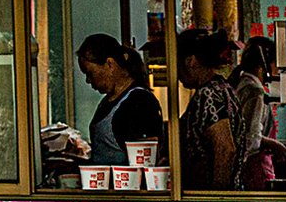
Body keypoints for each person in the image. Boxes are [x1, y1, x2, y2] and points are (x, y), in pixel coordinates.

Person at [76, 34, 163, 165]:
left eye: (90, 73)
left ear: (110, 64)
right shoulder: (107, 102)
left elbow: (144, 162)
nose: (88, 80)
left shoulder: (140, 103)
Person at [177, 28, 240, 190]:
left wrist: (216, 196)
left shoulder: (208, 94)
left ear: (190, 61)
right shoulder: (224, 88)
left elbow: (226, 148)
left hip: (207, 196)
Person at [230, 37, 286, 190]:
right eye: (276, 63)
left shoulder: (243, 84)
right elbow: (251, 137)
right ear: (265, 64)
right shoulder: (254, 90)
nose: (278, 68)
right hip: (254, 169)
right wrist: (274, 145)